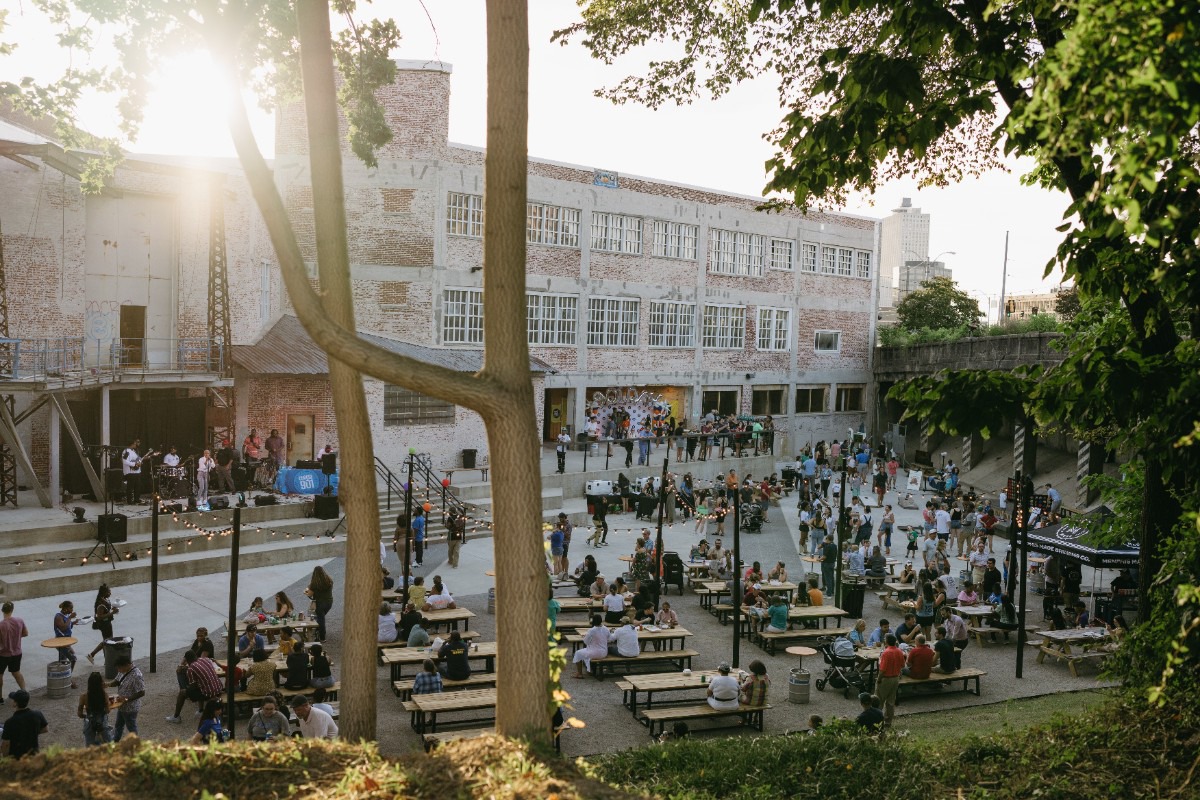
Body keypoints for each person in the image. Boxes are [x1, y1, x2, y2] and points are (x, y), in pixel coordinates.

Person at [166, 650, 222, 723]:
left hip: (209, 693)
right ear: (195, 656)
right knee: (201, 684)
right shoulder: (205, 659)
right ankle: (201, 710)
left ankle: (176, 716)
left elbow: (193, 687)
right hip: (218, 688)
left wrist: (186, 688)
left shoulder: (191, 669)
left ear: (187, 660)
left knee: (182, 692)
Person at [1, 689, 48, 757]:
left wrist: (6, 759)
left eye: (13, 700)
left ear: (15, 703)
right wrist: (31, 733)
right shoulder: (37, 714)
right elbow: (45, 729)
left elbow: (6, 744)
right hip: (34, 755)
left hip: (17, 758)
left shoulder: (10, 722)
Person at [109, 655, 144, 741]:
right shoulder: (122, 671)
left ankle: (135, 743)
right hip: (122, 705)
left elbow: (142, 692)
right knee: (118, 725)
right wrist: (107, 684)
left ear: (127, 665)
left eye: (119, 668)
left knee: (131, 727)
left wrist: (127, 699)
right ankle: (115, 741)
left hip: (130, 708)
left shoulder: (137, 675)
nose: (118, 670)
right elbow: (117, 681)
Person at [875, 634, 905, 726]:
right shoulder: (899, 651)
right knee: (890, 702)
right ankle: (888, 721)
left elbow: (882, 669)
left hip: (886, 678)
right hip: (895, 678)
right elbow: (903, 665)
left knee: (879, 701)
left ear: (886, 641)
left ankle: (877, 721)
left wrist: (879, 679)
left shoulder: (886, 652)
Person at [77, 670, 113, 746]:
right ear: (101, 683)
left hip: (89, 722)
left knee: (90, 745)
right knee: (109, 743)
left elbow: (79, 714)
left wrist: (86, 716)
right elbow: (107, 710)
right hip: (102, 722)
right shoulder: (104, 695)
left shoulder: (83, 696)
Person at [0, 602, 29, 695]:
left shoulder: (1, 625)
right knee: (16, 672)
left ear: (2, 611)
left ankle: (0, 698)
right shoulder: (19, 621)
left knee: (0, 675)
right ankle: (24, 692)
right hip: (17, 653)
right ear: (12, 610)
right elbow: (25, 633)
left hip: (3, 654)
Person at [86, 583, 118, 664]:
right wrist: (112, 613)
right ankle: (92, 654)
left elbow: (106, 610)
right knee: (108, 641)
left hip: (107, 623)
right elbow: (99, 616)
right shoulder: (100, 603)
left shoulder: (105, 599)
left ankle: (106, 659)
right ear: (104, 593)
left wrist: (112, 610)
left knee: (107, 641)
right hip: (104, 625)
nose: (110, 593)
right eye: (108, 592)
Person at [51, 601, 78, 686]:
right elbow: (63, 628)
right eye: (71, 608)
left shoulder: (65, 616)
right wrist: (70, 618)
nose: (72, 610)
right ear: (65, 608)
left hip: (66, 642)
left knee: (63, 661)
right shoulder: (58, 616)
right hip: (61, 642)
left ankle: (64, 678)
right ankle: (67, 678)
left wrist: (73, 622)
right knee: (73, 658)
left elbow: (68, 626)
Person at [305, 565, 334, 641]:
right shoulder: (329, 580)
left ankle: (322, 637)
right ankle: (318, 631)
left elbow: (310, 594)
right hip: (329, 602)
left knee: (321, 619)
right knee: (321, 618)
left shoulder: (314, 584)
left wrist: (306, 592)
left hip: (320, 603)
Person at [121, 437, 145, 504]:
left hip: (137, 471)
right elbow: (124, 461)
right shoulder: (126, 451)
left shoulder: (134, 451)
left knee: (137, 486)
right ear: (131, 444)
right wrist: (134, 464)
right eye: (134, 443)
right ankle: (129, 500)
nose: (136, 445)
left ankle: (136, 499)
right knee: (130, 487)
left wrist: (140, 462)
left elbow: (137, 459)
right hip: (130, 472)